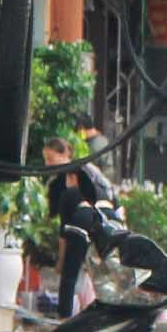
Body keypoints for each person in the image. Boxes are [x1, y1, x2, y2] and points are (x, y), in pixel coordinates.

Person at [42, 134, 116, 318]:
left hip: (87, 220)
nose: (47, 164)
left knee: (69, 274)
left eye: (50, 159)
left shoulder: (71, 186)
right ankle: (105, 315)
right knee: (106, 273)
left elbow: (64, 232)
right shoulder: (65, 181)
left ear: (64, 154)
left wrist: (60, 260)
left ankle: (64, 318)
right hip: (108, 219)